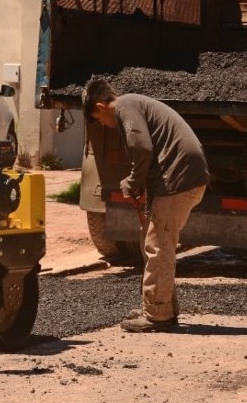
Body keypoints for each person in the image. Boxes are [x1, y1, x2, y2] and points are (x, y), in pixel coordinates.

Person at [83, 78, 210, 332]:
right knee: (152, 240)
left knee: (158, 244)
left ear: (101, 106)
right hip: (181, 176)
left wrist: (132, 181)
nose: (104, 126)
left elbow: (142, 148)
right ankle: (161, 307)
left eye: (98, 119)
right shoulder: (134, 105)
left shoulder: (124, 107)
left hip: (179, 177)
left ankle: (157, 316)